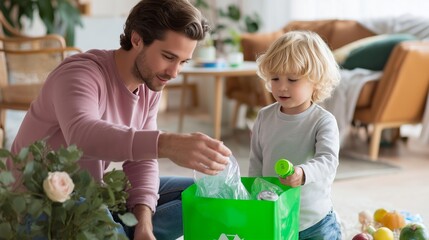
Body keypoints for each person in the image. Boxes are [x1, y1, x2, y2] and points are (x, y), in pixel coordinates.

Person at [8, 0, 231, 239]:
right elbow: (82, 135)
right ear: (137, 40)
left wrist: (144, 224)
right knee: (97, 214)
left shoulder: (150, 85)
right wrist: (166, 143)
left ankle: (129, 232)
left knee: (214, 196)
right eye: (168, 56)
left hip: (95, 192)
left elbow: (142, 161)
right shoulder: (80, 74)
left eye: (183, 62)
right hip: (39, 203)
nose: (174, 72)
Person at [248, 30, 342, 239]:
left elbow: (328, 161)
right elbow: (256, 160)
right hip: (274, 216)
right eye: (275, 78)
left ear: (316, 81)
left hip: (314, 221)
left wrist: (302, 173)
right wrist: (253, 196)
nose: (282, 87)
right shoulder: (264, 117)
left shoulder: (322, 121)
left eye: (292, 79)